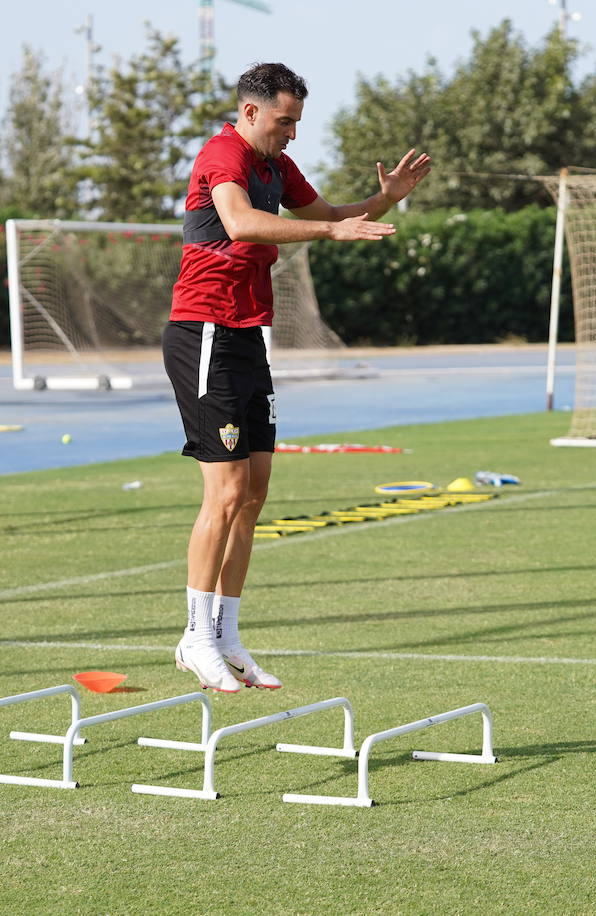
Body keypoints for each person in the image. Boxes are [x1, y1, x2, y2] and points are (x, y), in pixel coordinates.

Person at [162, 61, 432, 692]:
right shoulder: (222, 155)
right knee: (224, 495)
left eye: (297, 122)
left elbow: (334, 212)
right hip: (204, 334)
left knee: (253, 496)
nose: (292, 134)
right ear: (251, 112)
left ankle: (226, 633)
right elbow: (242, 224)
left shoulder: (275, 167)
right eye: (285, 121)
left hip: (248, 335)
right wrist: (331, 228)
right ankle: (194, 637)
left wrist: (387, 198)